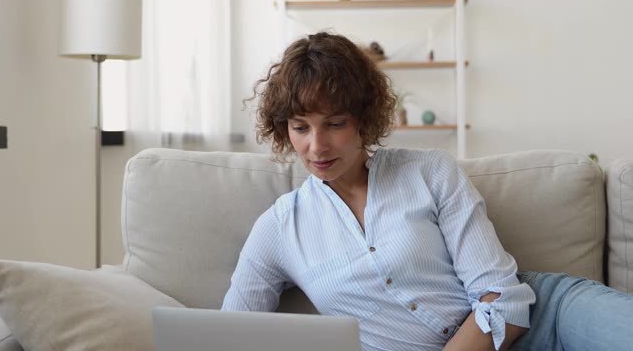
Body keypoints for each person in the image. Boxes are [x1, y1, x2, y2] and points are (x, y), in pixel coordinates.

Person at [221, 32, 633, 351]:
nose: (317, 146)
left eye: (335, 123)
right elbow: (226, 336)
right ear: (284, 130)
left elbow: (502, 299)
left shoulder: (429, 171)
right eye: (300, 127)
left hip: (549, 315)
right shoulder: (279, 227)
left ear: (363, 120)